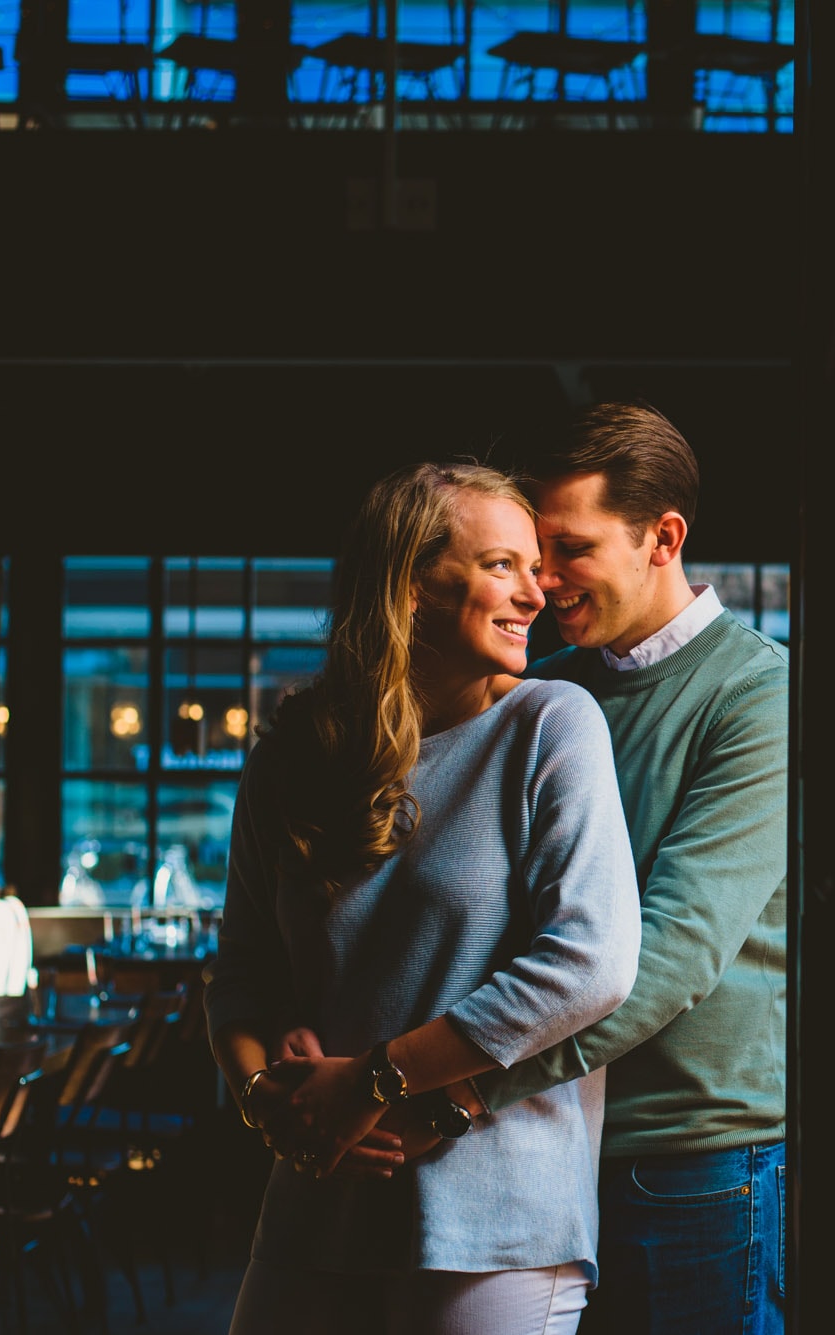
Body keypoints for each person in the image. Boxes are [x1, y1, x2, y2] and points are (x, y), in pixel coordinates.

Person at [205, 461, 641, 1335]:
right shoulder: (293, 749)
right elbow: (242, 972)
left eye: (538, 566)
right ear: (408, 589)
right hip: (312, 1205)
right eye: (502, 565)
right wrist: (266, 1100)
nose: (537, 592)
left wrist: (376, 1077)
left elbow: (593, 961)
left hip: (496, 1228)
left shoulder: (552, 726)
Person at [464, 401, 791, 1335]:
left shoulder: (758, 695)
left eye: (570, 549)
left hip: (689, 1159)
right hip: (543, 1145)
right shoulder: (543, 688)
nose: (545, 581)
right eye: (532, 557)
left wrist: (457, 1081)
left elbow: (674, 952)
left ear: (664, 537)